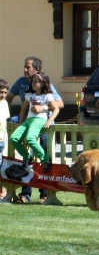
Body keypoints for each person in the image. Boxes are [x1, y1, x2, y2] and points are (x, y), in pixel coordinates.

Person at [6, 56, 64, 203]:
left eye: (28, 67)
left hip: (43, 126)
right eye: (24, 67)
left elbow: (60, 104)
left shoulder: (45, 86)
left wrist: (43, 108)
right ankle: (25, 195)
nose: (25, 70)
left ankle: (45, 193)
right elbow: (8, 97)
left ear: (36, 70)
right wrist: (6, 113)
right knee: (28, 161)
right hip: (27, 123)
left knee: (43, 159)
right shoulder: (21, 82)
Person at [10, 72, 59, 173]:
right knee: (13, 138)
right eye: (33, 81)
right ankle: (27, 157)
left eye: (37, 81)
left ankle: (45, 159)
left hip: (39, 120)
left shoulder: (47, 95)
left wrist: (49, 121)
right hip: (28, 120)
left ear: (43, 83)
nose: (33, 83)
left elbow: (56, 109)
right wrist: (20, 121)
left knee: (30, 138)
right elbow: (23, 109)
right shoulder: (29, 94)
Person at [0, 79, 10, 202]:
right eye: (0, 92)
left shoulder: (5, 103)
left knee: (1, 167)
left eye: (5, 92)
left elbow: (5, 122)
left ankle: (3, 192)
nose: (2, 95)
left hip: (1, 140)